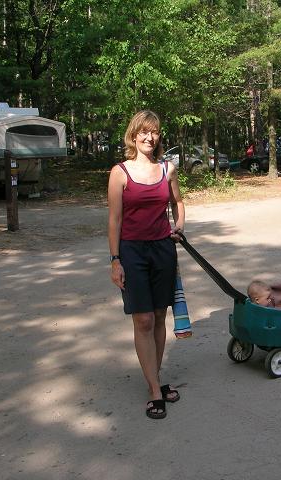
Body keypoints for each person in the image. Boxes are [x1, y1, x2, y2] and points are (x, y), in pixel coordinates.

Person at [107, 110, 185, 420]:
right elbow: (114, 219)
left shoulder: (168, 169)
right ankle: (155, 388)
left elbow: (178, 202)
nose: (149, 137)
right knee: (142, 321)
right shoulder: (120, 172)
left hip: (163, 250)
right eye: (144, 132)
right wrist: (115, 261)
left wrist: (178, 224)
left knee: (158, 316)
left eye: (154, 132)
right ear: (133, 135)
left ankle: (155, 375)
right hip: (132, 253)